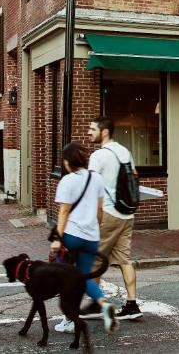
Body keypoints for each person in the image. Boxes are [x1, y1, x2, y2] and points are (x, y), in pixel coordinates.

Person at [52, 142, 115, 334]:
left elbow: (64, 211)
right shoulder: (96, 179)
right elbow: (99, 209)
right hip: (91, 236)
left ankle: (69, 319)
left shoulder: (67, 181)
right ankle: (104, 305)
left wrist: (57, 238)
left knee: (65, 279)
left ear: (67, 161)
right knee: (85, 275)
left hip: (71, 235)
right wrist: (95, 225)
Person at [85, 116, 142, 321]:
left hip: (108, 214)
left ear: (105, 131)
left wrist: (94, 218)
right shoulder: (124, 151)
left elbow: (92, 190)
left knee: (94, 260)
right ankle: (132, 304)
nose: (89, 132)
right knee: (125, 259)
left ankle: (95, 302)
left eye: (92, 129)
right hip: (127, 213)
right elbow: (134, 176)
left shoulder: (98, 156)